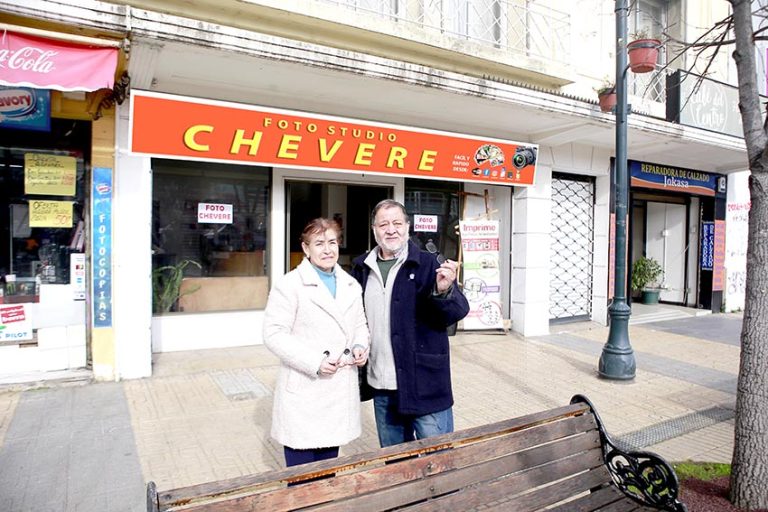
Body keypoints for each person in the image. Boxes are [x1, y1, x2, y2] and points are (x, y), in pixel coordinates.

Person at [351, 199, 469, 447]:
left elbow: (456, 312)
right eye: (383, 224)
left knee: (439, 461)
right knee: (397, 464)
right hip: (382, 385)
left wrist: (444, 291)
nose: (390, 229)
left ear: (407, 226)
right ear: (374, 230)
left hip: (425, 384)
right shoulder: (361, 268)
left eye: (396, 223)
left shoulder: (428, 264)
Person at [263, 218, 370, 467]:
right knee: (301, 477)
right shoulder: (290, 284)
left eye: (332, 242)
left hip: (338, 390)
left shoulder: (350, 284)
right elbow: (274, 333)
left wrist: (359, 347)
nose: (327, 249)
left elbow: (359, 326)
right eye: (319, 243)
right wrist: (314, 361)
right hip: (305, 389)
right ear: (306, 248)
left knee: (326, 472)